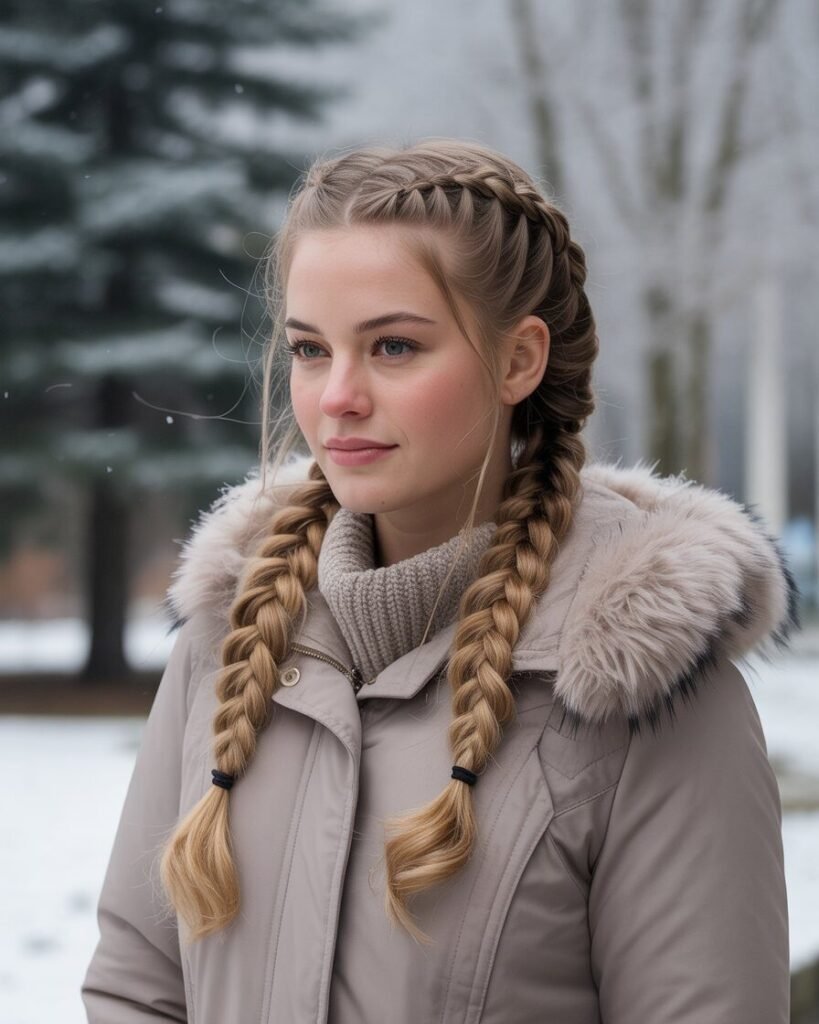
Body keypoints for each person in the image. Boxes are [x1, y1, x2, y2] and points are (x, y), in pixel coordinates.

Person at [81, 138, 797, 1023]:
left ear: (517, 361)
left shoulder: (642, 682)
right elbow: (136, 985)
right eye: (310, 350)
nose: (336, 395)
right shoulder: (229, 636)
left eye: (391, 346)